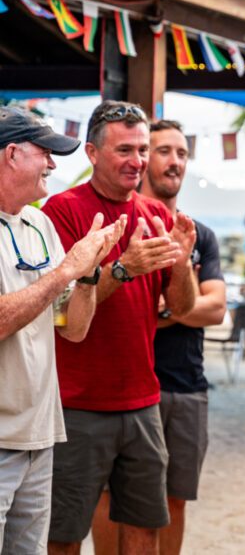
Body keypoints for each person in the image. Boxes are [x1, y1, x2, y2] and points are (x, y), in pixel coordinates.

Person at [42, 101, 198, 555]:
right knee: (64, 535)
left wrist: (182, 264)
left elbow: (181, 309)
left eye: (143, 149)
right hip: (77, 404)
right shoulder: (62, 210)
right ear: (91, 153)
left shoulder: (156, 213)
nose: (139, 161)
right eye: (124, 150)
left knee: (144, 528)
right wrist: (123, 269)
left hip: (143, 401)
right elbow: (63, 310)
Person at [89, 119, 227, 555]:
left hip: (186, 384)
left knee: (173, 499)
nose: (174, 162)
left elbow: (216, 308)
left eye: (182, 153)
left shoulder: (199, 234)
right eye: (164, 151)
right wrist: (177, 306)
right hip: (121, 385)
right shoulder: (120, 227)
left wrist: (166, 308)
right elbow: (100, 304)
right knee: (108, 498)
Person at [0, 107, 124, 553]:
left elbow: (72, 328)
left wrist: (89, 273)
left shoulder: (38, 222)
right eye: (46, 152)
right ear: (12, 154)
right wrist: (65, 269)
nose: (54, 164)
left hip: (39, 435)